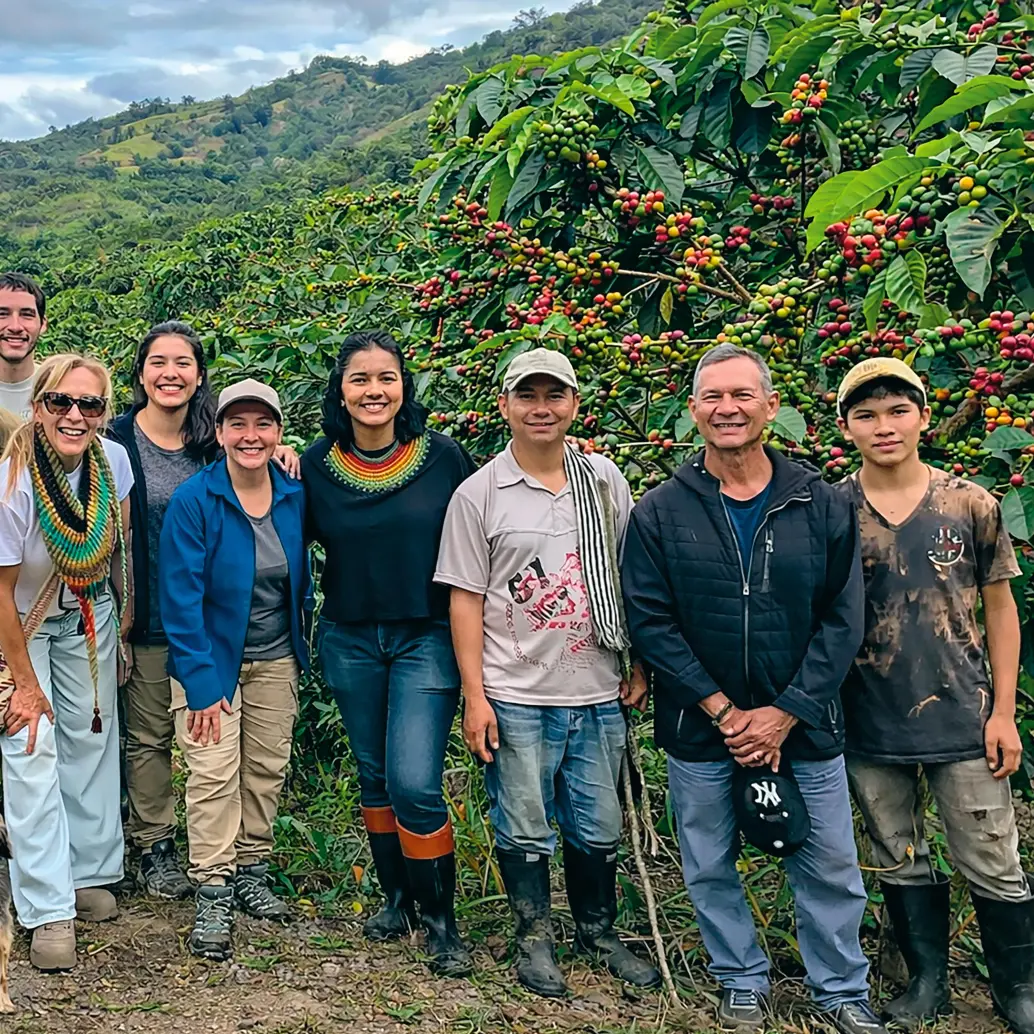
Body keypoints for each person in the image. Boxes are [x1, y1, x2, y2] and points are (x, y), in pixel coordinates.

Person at [621, 343, 887, 1034]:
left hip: (804, 723)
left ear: (771, 407)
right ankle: (740, 978)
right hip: (699, 727)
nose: (726, 408)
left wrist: (785, 712)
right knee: (709, 861)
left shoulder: (819, 502)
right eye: (712, 397)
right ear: (694, 412)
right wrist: (721, 710)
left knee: (827, 863)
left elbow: (843, 616)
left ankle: (840, 990)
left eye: (741, 395)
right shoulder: (661, 510)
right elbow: (650, 618)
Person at [435, 347, 660, 997]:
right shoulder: (480, 494)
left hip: (596, 688)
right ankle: (533, 936)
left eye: (554, 395)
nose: (542, 408)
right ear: (503, 405)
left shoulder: (603, 480)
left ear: (573, 404)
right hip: (516, 694)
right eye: (527, 396)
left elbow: (630, 574)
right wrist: (475, 697)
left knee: (598, 823)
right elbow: (466, 599)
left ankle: (598, 931)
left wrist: (637, 658)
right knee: (524, 821)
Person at [834, 358, 1034, 1034]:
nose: (883, 426)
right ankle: (926, 981)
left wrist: (1003, 712)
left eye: (897, 411)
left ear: (923, 415)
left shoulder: (969, 503)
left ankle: (1018, 987)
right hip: (869, 714)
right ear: (846, 427)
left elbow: (1001, 610)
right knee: (898, 850)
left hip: (963, 712)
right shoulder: (835, 509)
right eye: (866, 414)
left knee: (991, 853)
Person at [302, 329, 475, 977]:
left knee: (414, 781)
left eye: (386, 378)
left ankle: (441, 920)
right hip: (350, 639)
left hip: (425, 637)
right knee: (374, 777)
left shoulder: (445, 458)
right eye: (359, 379)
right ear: (340, 391)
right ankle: (397, 900)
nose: (374, 391)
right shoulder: (316, 466)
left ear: (404, 387)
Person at [109, 321, 301, 900]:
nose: (171, 373)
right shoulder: (115, 439)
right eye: (158, 362)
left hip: (219, 623)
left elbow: (254, 465)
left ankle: (234, 860)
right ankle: (155, 843)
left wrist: (280, 452)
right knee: (150, 737)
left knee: (213, 744)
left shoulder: (208, 439)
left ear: (199, 376)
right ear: (140, 372)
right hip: (147, 610)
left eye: (184, 363)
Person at [159, 379, 309, 962]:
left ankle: (252, 865)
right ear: (218, 433)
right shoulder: (196, 499)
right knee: (213, 772)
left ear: (278, 432)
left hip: (276, 657)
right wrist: (200, 686)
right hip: (210, 662)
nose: (252, 436)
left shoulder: (295, 494)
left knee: (267, 767)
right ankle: (214, 885)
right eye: (238, 424)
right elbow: (180, 598)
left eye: (263, 424)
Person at [0, 354, 134, 972]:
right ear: (38, 406)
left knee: (89, 736)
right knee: (33, 745)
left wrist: (122, 625)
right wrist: (23, 683)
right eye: (61, 402)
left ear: (105, 414)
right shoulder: (13, 478)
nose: (75, 415)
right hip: (17, 625)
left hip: (86, 614)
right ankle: (47, 906)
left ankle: (87, 870)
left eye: (90, 404)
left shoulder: (114, 463)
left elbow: (118, 545)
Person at [0, 273, 47, 421]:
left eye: (26, 315)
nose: (15, 327)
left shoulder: (60, 390)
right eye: (2, 314)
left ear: (43, 324)